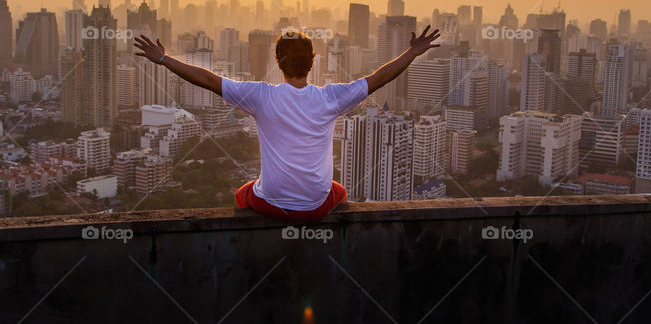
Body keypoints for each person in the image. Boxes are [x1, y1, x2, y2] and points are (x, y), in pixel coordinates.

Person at [133, 24, 440, 221]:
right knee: (341, 193)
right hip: (317, 208)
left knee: (242, 195)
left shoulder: (260, 96)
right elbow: (378, 79)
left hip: (271, 203)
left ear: (277, 61)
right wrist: (412, 52)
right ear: (312, 62)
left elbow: (209, 80)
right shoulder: (330, 98)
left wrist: (163, 58)